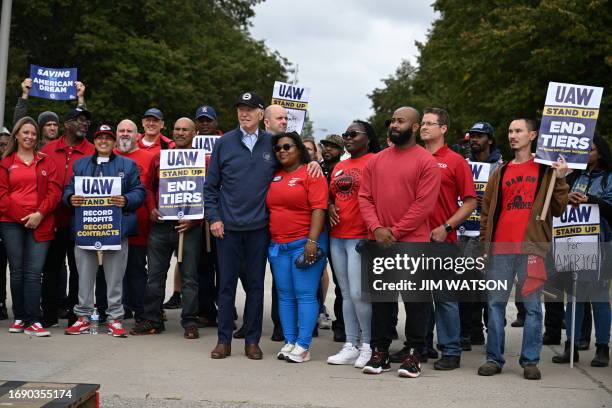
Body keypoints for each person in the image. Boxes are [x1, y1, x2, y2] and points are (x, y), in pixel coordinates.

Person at [205, 92, 321, 360]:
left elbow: (297, 161)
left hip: (260, 229)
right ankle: (223, 340)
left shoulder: (273, 143)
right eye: (240, 109)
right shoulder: (224, 143)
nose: (244, 114)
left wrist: (313, 163)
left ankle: (252, 341)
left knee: (256, 286)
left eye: (249, 109)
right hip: (228, 228)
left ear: (261, 115)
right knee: (225, 286)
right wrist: (215, 218)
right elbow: (210, 187)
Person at [478, 118, 569, 380]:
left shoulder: (545, 170)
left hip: (531, 250)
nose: (512, 135)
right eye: (509, 131)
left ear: (532, 135)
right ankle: (494, 358)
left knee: (532, 307)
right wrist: (486, 247)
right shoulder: (501, 171)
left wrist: (560, 179)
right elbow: (487, 214)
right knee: (494, 305)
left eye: (518, 131)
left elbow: (559, 208)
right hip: (499, 251)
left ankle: (530, 361)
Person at [359, 106, 441, 378]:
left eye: (400, 121)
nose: (394, 124)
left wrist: (393, 231)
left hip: (413, 243)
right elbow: (365, 197)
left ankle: (415, 353)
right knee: (381, 302)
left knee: (416, 302)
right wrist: (376, 228)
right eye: (392, 120)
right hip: (379, 241)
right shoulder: (375, 160)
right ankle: (379, 352)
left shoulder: (426, 162)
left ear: (415, 127)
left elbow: (424, 206)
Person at [64, 124, 145, 337]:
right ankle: (82, 316)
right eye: (99, 138)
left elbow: (139, 191)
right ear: (95, 140)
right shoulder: (81, 165)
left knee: (115, 277)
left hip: (116, 230)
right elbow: (69, 189)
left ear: (114, 141)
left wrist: (126, 199)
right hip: (87, 229)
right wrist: (70, 198)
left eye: (108, 138)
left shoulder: (128, 165)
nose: (103, 141)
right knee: (84, 276)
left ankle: (115, 318)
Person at [415, 108, 477, 370]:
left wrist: (447, 227)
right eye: (423, 124)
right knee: (418, 298)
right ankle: (421, 346)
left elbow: (471, 202)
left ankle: (451, 350)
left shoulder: (455, 161)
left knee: (444, 298)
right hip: (414, 240)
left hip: (442, 241)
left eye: (430, 124)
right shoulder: (412, 157)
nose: (424, 128)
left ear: (443, 129)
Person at [130, 118, 202, 339]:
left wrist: (195, 220)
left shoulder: (202, 160)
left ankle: (190, 322)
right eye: (177, 129)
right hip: (161, 226)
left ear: (194, 133)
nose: (180, 133)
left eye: (185, 130)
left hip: (188, 227)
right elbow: (149, 187)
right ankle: (152, 319)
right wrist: (151, 208)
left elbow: (208, 192)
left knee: (189, 278)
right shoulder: (160, 157)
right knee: (154, 276)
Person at [267, 131, 329, 362]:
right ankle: (290, 341)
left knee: (304, 295)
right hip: (278, 246)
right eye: (278, 148)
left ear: (298, 150)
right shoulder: (274, 175)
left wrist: (312, 242)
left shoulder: (311, 173)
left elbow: (319, 209)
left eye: (287, 147)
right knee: (285, 296)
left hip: (304, 244)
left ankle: (303, 345)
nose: (282, 151)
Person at [552, 134, 611, 367]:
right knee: (574, 296)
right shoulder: (574, 175)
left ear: (601, 153)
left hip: (601, 243)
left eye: (591, 150)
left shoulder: (608, 178)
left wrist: (591, 200)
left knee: (598, 296)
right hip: (573, 240)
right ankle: (571, 347)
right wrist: (569, 197)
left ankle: (603, 348)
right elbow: (558, 201)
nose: (586, 154)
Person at [0, 117, 62, 336]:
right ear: (16, 135)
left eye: (33, 133)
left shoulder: (45, 161)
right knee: (17, 272)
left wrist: (39, 214)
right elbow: (2, 195)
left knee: (34, 273)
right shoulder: (6, 162)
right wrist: (22, 217)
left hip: (41, 222)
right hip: (11, 223)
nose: (30, 137)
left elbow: (54, 191)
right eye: (25, 132)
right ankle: (20, 317)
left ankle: (34, 319)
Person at [327, 121, 380, 368]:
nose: (347, 138)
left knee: (360, 293)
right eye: (345, 134)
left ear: (368, 138)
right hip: (337, 236)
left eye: (353, 134)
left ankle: (368, 345)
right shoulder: (340, 165)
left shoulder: (376, 161)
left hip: (361, 236)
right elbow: (331, 196)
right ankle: (351, 343)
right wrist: (328, 208)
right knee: (346, 293)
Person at [41, 108, 95, 327]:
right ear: (67, 124)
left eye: (87, 122)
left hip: (80, 220)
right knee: (51, 268)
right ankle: (49, 314)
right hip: (52, 219)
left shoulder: (92, 151)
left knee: (78, 268)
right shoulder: (48, 149)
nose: (84, 124)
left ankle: (75, 313)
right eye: (79, 120)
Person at [462, 122, 503, 345]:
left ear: (490, 140)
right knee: (467, 281)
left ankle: (493, 329)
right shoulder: (464, 164)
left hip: (488, 232)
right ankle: (472, 329)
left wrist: (487, 200)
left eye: (480, 135)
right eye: (472, 135)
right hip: (463, 230)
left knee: (486, 283)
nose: (474, 139)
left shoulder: (501, 166)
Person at [114, 119, 156, 322]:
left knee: (137, 268)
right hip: (110, 226)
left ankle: (139, 309)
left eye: (129, 131)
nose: (124, 134)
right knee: (114, 270)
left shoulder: (149, 157)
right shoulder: (108, 157)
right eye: (121, 130)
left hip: (140, 225)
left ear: (137, 135)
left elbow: (154, 189)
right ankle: (118, 307)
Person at [263, 104, 289, 342]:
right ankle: (251, 322)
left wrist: (312, 162)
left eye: (286, 118)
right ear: (266, 122)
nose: (284, 121)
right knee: (251, 276)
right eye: (279, 118)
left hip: (282, 225)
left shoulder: (290, 145)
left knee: (281, 277)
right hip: (255, 221)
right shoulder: (257, 145)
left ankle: (281, 325)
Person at [319, 134, 346, 342]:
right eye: (325, 146)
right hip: (318, 229)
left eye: (333, 147)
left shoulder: (345, 169)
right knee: (312, 278)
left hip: (339, 229)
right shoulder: (315, 167)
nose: (328, 150)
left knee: (341, 282)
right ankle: (314, 318)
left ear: (341, 150)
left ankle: (342, 324)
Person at [0, 127, 10, 320]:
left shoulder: (12, 163)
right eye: (0, 145)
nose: (3, 148)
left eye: (6, 144)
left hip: (10, 220)